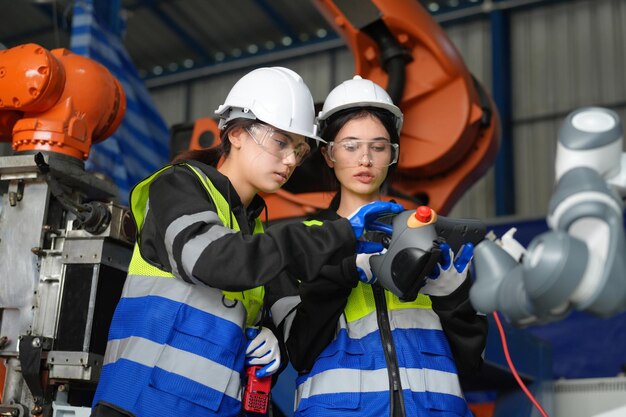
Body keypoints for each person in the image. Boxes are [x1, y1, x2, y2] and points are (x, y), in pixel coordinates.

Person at [90, 68, 404, 417]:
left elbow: (291, 329)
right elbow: (213, 260)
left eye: (299, 150)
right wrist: (340, 233)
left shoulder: (255, 237)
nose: (290, 161)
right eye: (281, 142)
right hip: (137, 405)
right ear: (236, 134)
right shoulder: (179, 187)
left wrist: (273, 338)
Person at [268, 76, 488, 417]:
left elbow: (470, 361)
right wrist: (343, 270)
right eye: (351, 145)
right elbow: (301, 348)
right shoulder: (301, 242)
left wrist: (453, 298)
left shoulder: (425, 236)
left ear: (393, 154)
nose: (366, 160)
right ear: (328, 153)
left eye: (379, 146)